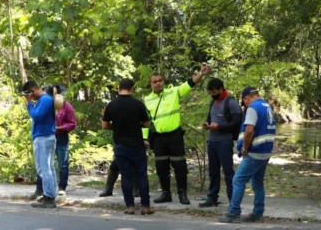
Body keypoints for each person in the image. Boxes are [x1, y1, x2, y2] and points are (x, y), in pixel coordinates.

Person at [142, 63, 211, 204]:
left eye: (160, 80)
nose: (158, 83)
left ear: (164, 81)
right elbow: (145, 121)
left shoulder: (173, 92)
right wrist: (144, 138)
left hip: (175, 136)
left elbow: (190, 83)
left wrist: (202, 73)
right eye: (154, 82)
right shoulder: (147, 100)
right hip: (159, 138)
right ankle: (166, 194)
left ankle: (182, 194)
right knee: (161, 167)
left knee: (180, 166)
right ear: (150, 84)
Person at [218, 87, 277, 223]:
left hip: (255, 152)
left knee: (238, 180)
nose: (244, 105)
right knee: (257, 183)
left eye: (243, 102)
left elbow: (249, 130)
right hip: (266, 151)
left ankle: (233, 213)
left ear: (246, 98)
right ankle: (258, 213)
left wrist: (244, 148)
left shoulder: (252, 108)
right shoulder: (267, 106)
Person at [101, 78, 154, 215]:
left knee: (125, 176)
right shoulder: (138, 104)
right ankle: (145, 207)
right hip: (137, 145)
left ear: (119, 89)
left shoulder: (111, 105)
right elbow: (147, 124)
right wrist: (136, 125)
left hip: (120, 145)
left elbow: (105, 125)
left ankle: (129, 207)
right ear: (132, 89)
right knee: (141, 175)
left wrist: (117, 126)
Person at [199, 78, 241, 208]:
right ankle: (212, 198)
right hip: (212, 141)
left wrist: (220, 127)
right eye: (210, 93)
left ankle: (232, 200)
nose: (212, 94)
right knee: (213, 171)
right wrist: (207, 124)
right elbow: (210, 118)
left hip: (224, 142)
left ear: (221, 89)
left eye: (214, 92)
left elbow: (236, 122)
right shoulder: (213, 102)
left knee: (228, 172)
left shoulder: (231, 102)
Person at [34, 86, 76, 198]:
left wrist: (61, 128)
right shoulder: (46, 104)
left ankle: (62, 187)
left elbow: (72, 123)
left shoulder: (67, 107)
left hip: (61, 136)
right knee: (45, 164)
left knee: (63, 164)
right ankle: (40, 189)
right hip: (47, 135)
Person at [22, 80, 58, 208]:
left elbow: (36, 116)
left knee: (44, 169)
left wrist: (29, 104)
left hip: (43, 138)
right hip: (46, 137)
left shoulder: (44, 100)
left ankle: (49, 197)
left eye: (29, 94)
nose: (28, 97)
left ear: (33, 91)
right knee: (49, 168)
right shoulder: (44, 100)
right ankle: (51, 194)